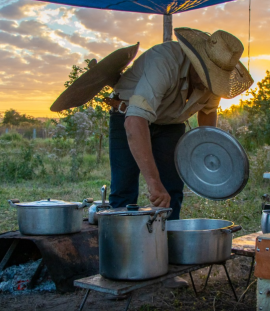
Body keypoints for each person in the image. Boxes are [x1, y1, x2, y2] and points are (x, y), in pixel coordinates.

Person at [105, 27, 253, 288]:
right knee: (124, 190)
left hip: (171, 122)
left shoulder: (213, 79)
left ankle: (164, 265)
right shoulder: (166, 61)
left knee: (172, 191)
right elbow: (135, 122)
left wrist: (206, 155)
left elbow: (208, 113)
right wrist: (153, 182)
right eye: (210, 76)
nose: (212, 84)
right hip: (129, 115)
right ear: (198, 63)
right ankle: (120, 267)